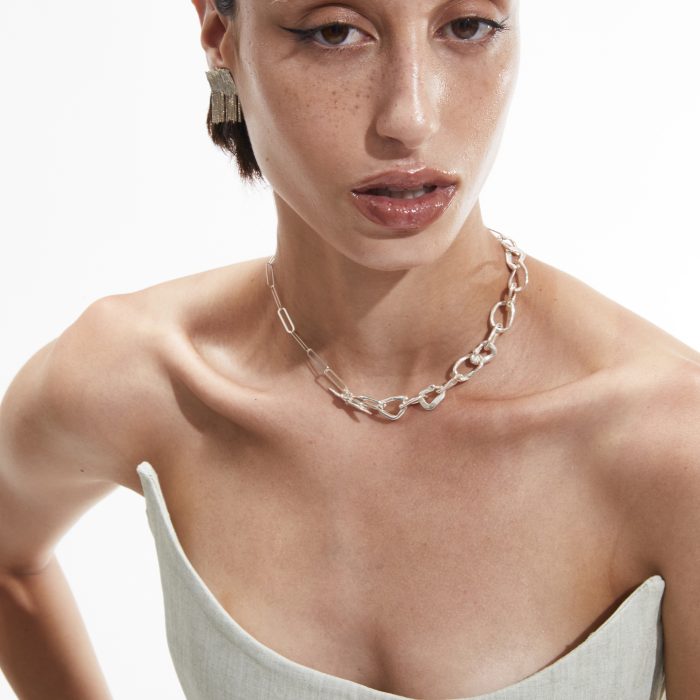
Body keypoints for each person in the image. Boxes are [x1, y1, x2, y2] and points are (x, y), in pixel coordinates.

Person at [0, 0, 698, 698]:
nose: (410, 117)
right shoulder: (145, 377)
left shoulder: (668, 438)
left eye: (466, 26)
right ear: (220, 37)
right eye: (336, 32)